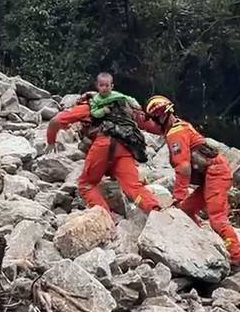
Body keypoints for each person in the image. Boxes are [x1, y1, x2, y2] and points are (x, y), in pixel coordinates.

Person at [139, 95, 240, 266]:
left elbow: (183, 167)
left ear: (161, 117)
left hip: (215, 173)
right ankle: (201, 242)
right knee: (185, 211)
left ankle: (237, 255)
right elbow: (152, 127)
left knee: (217, 217)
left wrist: (178, 195)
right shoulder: (179, 125)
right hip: (210, 174)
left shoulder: (176, 133)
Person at [46, 73, 160, 217]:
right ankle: (154, 210)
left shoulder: (91, 105)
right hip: (125, 147)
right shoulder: (125, 104)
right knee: (133, 187)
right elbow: (149, 125)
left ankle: (104, 217)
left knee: (86, 184)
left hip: (103, 145)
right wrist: (169, 128)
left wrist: (51, 140)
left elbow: (55, 121)